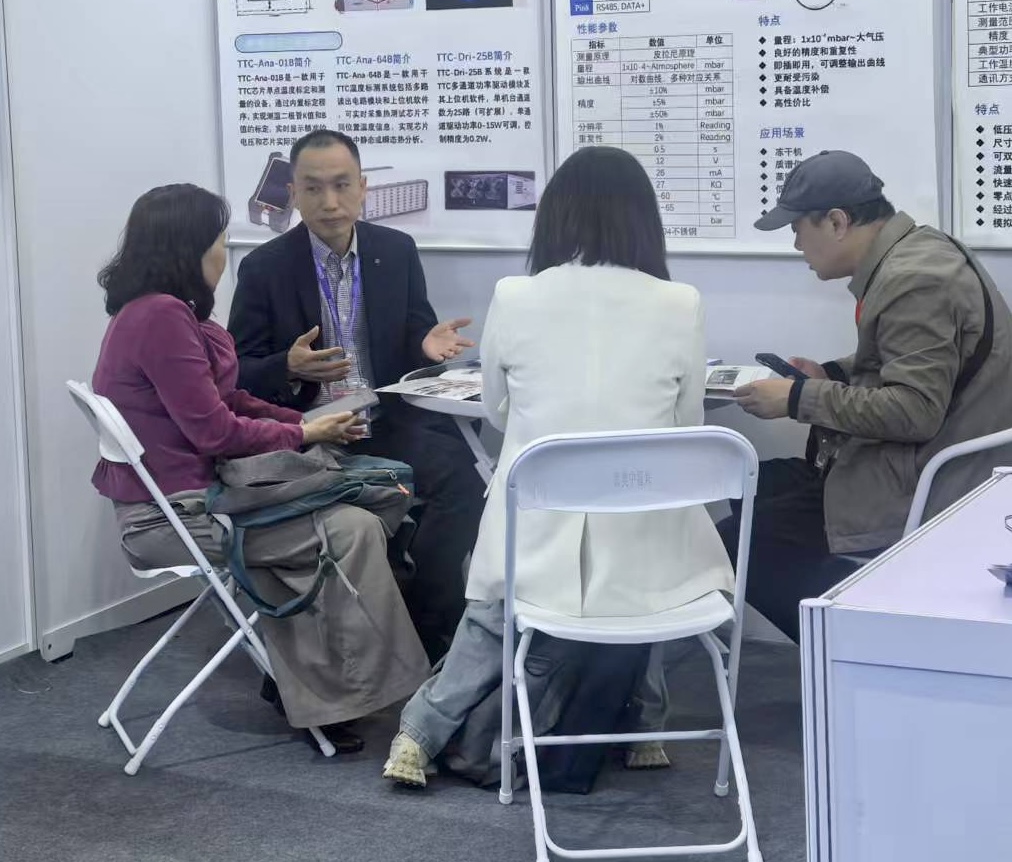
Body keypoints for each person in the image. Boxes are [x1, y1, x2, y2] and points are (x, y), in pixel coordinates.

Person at [382, 146, 735, 788]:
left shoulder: (515, 295)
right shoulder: (680, 302)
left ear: (556, 215)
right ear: (642, 218)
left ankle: (417, 735)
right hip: (644, 536)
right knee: (647, 564)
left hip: (535, 526)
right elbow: (684, 426)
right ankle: (645, 729)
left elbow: (497, 408)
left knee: (496, 609)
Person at [90, 183, 432, 753]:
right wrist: (303, 433)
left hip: (190, 500)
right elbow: (216, 432)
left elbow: (228, 402)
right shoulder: (162, 319)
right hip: (175, 518)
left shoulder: (155, 312)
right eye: (219, 241)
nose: (223, 254)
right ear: (190, 248)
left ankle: (330, 691)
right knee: (355, 524)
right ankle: (365, 694)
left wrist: (308, 421)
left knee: (356, 511)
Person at [729, 150, 1012, 641]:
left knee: (742, 536)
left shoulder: (913, 280)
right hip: (926, 462)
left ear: (837, 222)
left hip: (933, 485)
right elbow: (911, 360)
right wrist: (830, 373)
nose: (796, 244)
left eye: (798, 228)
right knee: (750, 490)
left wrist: (797, 399)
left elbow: (914, 410)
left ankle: (863, 641)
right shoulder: (921, 250)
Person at [228, 129, 484, 663]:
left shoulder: (396, 250)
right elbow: (238, 374)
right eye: (313, 188)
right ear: (293, 194)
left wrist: (426, 344)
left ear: (364, 187)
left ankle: (426, 624)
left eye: (342, 185)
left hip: (386, 419)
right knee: (348, 516)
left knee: (464, 480)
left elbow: (414, 337)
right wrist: (287, 366)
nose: (330, 202)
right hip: (312, 431)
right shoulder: (264, 268)